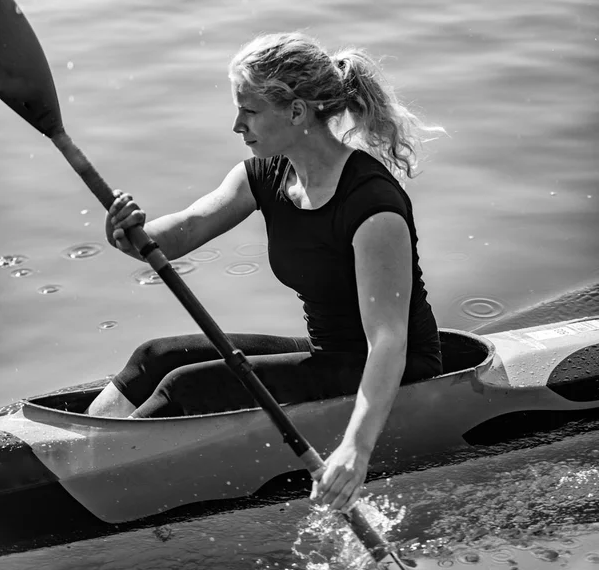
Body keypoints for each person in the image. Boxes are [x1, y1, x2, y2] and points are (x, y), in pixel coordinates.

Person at [87, 32, 443, 513]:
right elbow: (182, 232)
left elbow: (388, 343)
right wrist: (131, 235)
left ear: (297, 112)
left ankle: (98, 488)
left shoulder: (372, 206)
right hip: (329, 355)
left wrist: (355, 451)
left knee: (186, 387)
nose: (237, 125)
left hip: (399, 371)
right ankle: (79, 456)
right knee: (155, 357)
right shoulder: (265, 176)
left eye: (248, 110)